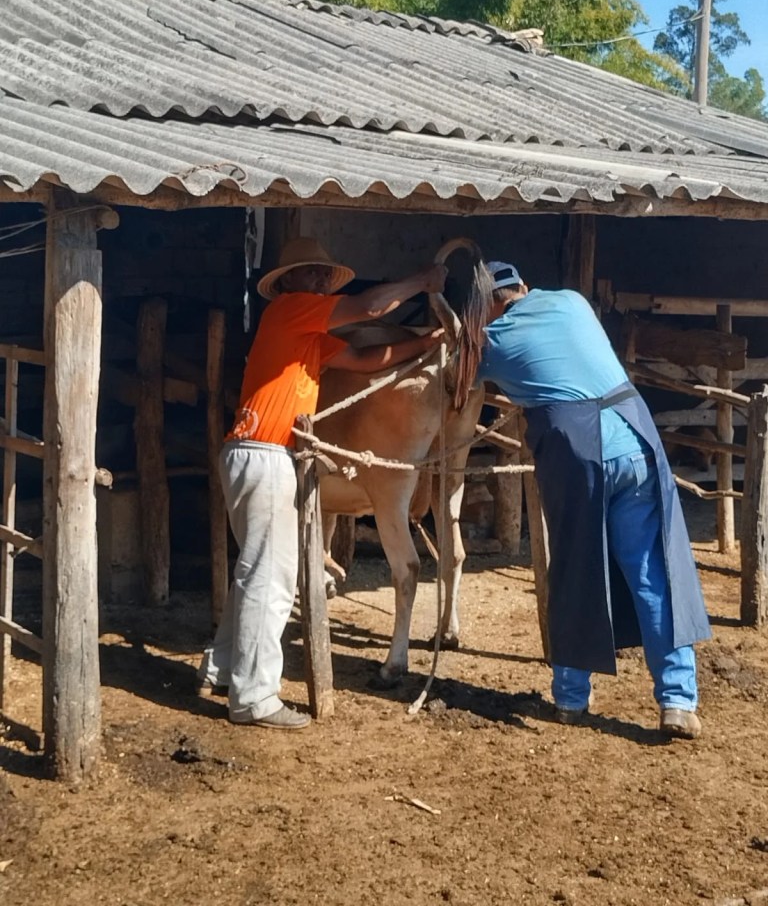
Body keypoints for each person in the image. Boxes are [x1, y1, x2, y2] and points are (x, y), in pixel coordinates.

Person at [197, 237, 447, 731]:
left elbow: (367, 360)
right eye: (309, 274)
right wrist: (422, 281)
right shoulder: (293, 309)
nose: (315, 281)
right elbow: (370, 306)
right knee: (271, 579)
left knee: (256, 570)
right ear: (288, 282)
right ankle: (254, 698)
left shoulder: (306, 337)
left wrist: (424, 344)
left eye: (320, 276)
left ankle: (222, 668)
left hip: (256, 453)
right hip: (266, 453)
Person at [460, 260, 711, 739]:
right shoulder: (573, 301)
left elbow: (457, 386)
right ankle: (678, 700)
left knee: (575, 568)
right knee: (651, 571)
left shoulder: (490, 341)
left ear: (487, 306)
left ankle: (571, 697)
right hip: (637, 438)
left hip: (580, 452)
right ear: (523, 288)